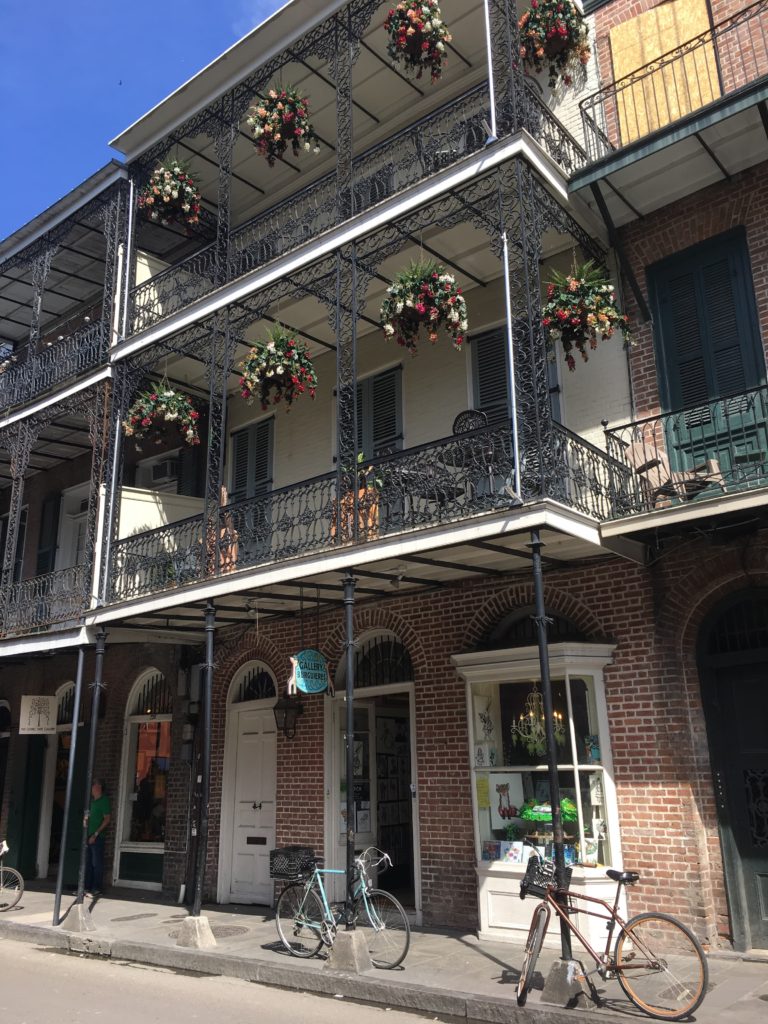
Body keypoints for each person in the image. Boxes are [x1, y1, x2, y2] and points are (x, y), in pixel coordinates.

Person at [84, 778, 111, 897]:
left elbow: (107, 819)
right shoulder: (91, 801)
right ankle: (87, 887)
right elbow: (87, 817)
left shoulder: (104, 800)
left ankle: (96, 888)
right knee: (88, 862)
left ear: (98, 787)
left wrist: (96, 834)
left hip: (97, 837)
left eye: (93, 785)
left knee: (96, 863)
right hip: (88, 835)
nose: (91, 788)